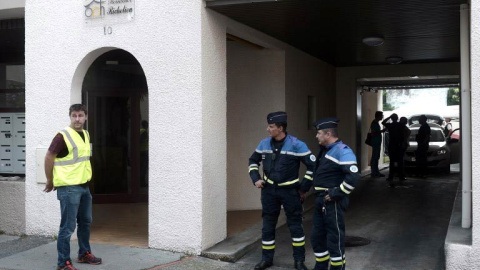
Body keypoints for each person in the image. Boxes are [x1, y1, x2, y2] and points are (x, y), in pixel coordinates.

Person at [248, 111, 315, 270]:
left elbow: (313, 166)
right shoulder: (264, 144)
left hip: (290, 192)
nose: (268, 129)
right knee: (268, 226)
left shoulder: (297, 144)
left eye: (271, 126)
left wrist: (303, 188)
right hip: (269, 191)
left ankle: (299, 261)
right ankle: (266, 259)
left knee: (295, 227)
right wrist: (256, 178)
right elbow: (253, 161)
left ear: (281, 128)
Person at [44, 104, 102, 270]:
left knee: (85, 222)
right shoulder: (62, 136)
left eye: (80, 115)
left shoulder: (85, 133)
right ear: (70, 116)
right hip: (69, 188)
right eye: (74, 115)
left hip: (84, 187)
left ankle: (84, 253)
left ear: (86, 117)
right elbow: (49, 156)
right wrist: (50, 179)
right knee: (67, 227)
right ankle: (63, 263)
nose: (77, 119)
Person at [308, 118, 360, 270]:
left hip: (333, 202)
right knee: (317, 237)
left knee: (334, 239)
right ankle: (321, 266)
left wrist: (337, 193)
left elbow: (353, 176)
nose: (316, 136)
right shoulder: (325, 150)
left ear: (328, 133)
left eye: (319, 133)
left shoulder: (343, 151)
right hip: (321, 201)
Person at [382, 113, 403, 184]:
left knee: (392, 161)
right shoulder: (400, 125)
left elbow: (383, 122)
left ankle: (391, 176)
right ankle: (401, 176)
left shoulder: (390, 125)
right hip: (399, 145)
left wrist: (389, 117)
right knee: (400, 161)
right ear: (397, 118)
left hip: (392, 145)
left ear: (392, 118)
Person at [369, 111, 385, 177]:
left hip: (377, 142)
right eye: (381, 115)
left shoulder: (376, 123)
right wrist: (381, 131)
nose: (382, 116)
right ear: (378, 116)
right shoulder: (374, 123)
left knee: (376, 157)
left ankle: (376, 172)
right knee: (375, 157)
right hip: (375, 142)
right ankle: (374, 172)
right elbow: (374, 133)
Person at [398, 117, 411, 182]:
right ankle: (401, 175)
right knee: (401, 160)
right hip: (402, 145)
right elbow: (408, 132)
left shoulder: (398, 127)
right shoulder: (403, 128)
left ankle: (400, 174)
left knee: (399, 160)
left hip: (399, 145)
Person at [140, 120, 149, 187]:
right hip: (144, 151)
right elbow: (141, 141)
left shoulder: (140, 130)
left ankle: (141, 182)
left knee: (141, 168)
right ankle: (142, 183)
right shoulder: (144, 132)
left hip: (140, 151)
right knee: (144, 168)